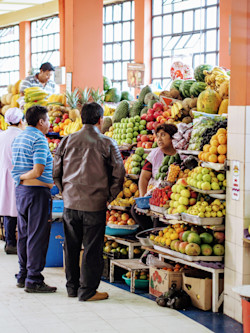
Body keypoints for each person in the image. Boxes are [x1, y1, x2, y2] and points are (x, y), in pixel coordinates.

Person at [53, 102, 125, 301]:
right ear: (100, 120)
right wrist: (109, 196)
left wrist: (64, 191)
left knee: (71, 247)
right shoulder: (107, 143)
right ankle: (88, 291)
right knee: (92, 249)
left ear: (82, 118)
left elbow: (56, 171)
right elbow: (119, 174)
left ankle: (72, 288)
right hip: (94, 205)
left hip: (70, 203)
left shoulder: (66, 141)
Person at [11, 105, 56, 293]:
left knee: (24, 234)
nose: (49, 124)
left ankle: (23, 275)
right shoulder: (38, 138)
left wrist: (20, 177)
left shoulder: (19, 136)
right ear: (41, 122)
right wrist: (47, 184)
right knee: (37, 236)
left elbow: (18, 168)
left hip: (21, 192)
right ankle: (34, 279)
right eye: (47, 120)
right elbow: (38, 170)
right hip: (36, 193)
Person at [131, 123, 178, 230]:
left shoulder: (181, 155)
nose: (159, 139)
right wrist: (143, 198)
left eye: (163, 135)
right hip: (154, 195)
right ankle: (150, 233)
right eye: (157, 136)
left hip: (172, 198)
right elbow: (144, 177)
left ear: (172, 137)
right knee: (135, 210)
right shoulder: (154, 154)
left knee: (159, 218)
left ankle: (156, 234)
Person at [0, 108, 25, 255]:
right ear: (21, 121)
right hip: (20, 176)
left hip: (3, 176)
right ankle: (21, 243)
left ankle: (10, 243)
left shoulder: (2, 135)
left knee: (8, 210)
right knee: (20, 210)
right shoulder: (22, 136)